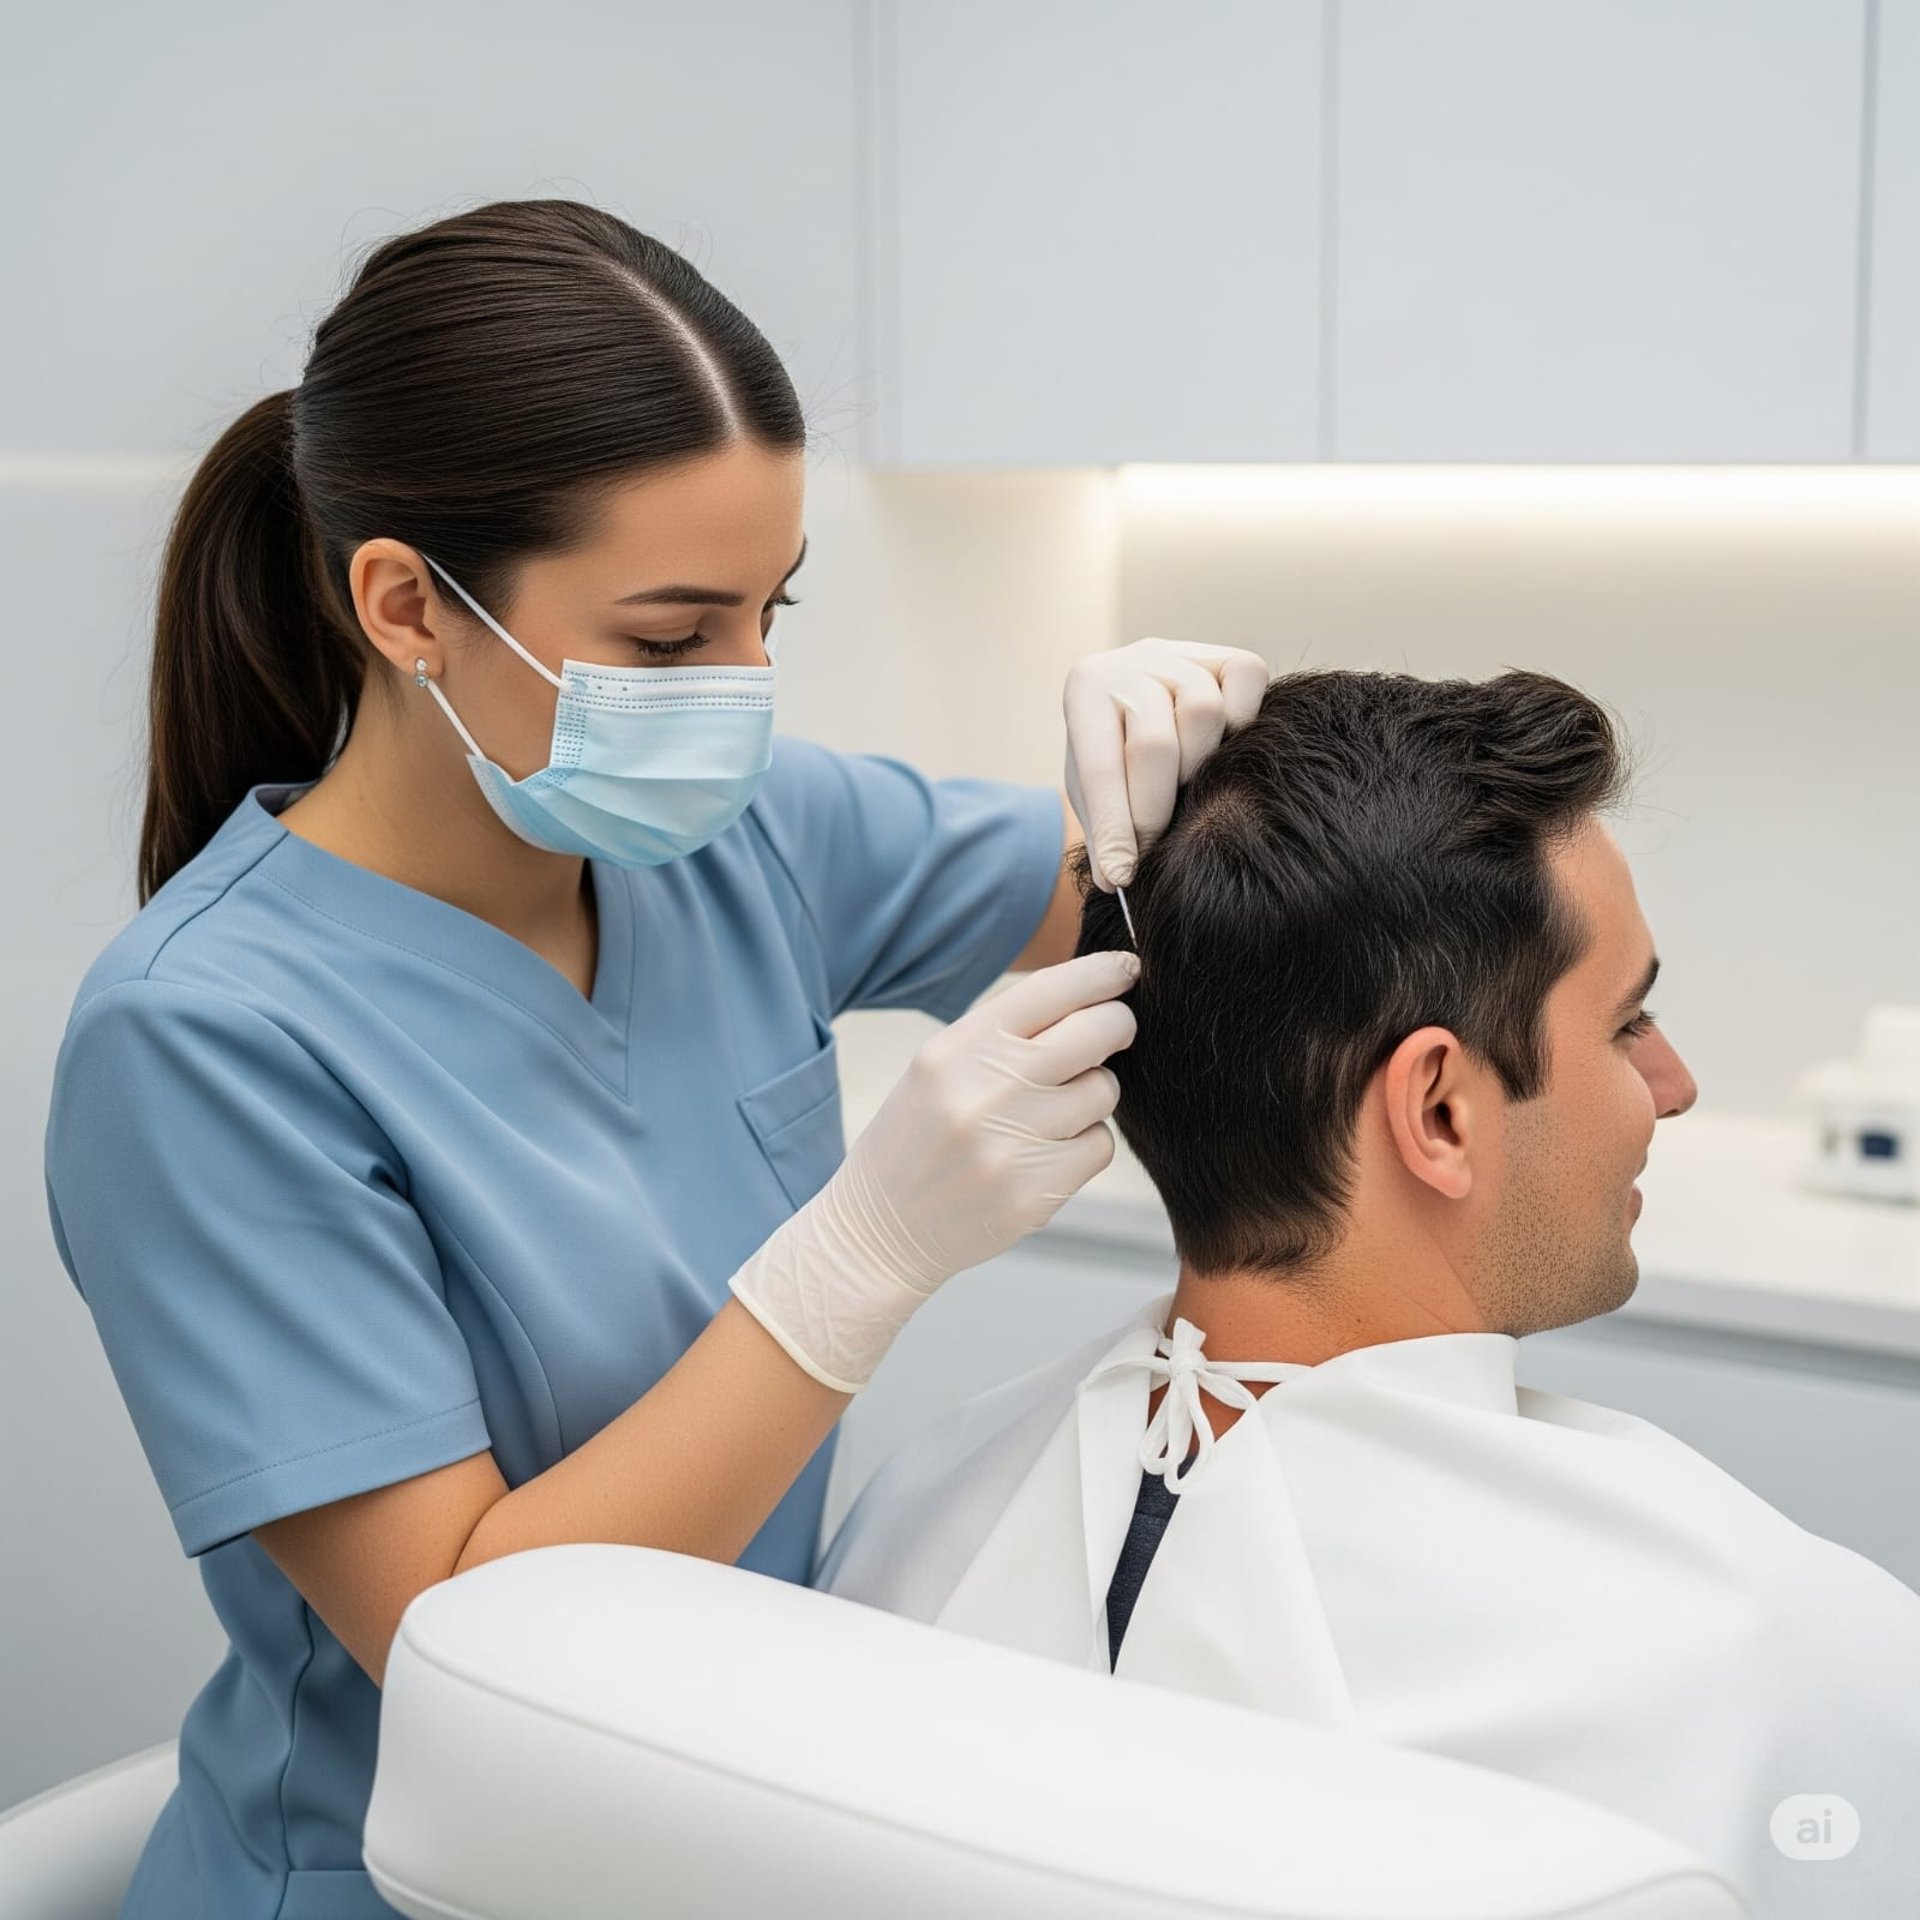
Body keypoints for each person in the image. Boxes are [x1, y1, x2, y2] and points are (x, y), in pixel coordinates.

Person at [40, 196, 1269, 1919]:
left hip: (712, 1831)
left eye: (774, 610)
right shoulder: (205, 1042)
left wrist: (1209, 763)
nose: (746, 690)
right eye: (675, 639)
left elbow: (1165, 923)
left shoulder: (745, 835)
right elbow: (459, 1639)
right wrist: (860, 1262)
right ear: (405, 605)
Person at [816, 666, 1920, 1919]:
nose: (1672, 1086)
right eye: (1627, 1023)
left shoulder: (914, 1521)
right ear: (1440, 1109)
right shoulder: (1772, 1648)